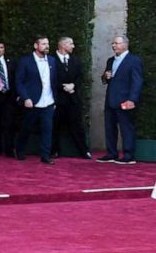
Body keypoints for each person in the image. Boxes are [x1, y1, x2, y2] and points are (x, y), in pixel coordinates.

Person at [98, 35, 144, 164]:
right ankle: (112, 153)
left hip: (125, 101)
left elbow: (137, 82)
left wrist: (132, 100)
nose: (114, 46)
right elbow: (105, 79)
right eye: (113, 43)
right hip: (110, 100)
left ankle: (129, 155)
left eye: (116, 43)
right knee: (109, 128)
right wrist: (105, 76)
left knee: (126, 128)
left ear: (125, 44)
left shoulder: (134, 60)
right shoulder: (110, 61)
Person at [15, 35, 60, 164]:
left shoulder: (51, 61)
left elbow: (54, 81)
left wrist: (55, 100)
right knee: (26, 128)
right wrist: (25, 98)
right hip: (32, 101)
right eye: (43, 44)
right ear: (36, 46)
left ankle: (45, 155)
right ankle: (20, 150)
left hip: (49, 102)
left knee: (47, 129)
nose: (47, 46)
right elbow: (19, 81)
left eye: (47, 44)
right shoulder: (25, 61)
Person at [52, 36, 90, 159]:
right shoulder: (51, 60)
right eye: (71, 44)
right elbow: (49, 78)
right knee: (54, 126)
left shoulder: (76, 60)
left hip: (73, 99)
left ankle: (84, 151)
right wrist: (63, 87)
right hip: (57, 99)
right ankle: (54, 151)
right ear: (63, 45)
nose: (73, 46)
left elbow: (80, 77)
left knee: (77, 125)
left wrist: (73, 85)